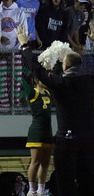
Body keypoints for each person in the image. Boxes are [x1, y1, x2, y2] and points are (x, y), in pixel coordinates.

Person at [19, 28, 94, 196]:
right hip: (89, 139)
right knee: (88, 180)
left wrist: (25, 45)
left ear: (64, 66)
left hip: (66, 141)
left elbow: (37, 69)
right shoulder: (89, 81)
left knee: (65, 182)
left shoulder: (60, 83)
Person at [25, 76, 53, 196]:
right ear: (36, 80)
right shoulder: (33, 92)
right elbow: (24, 81)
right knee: (35, 162)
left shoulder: (47, 92)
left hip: (48, 130)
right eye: (42, 78)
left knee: (46, 163)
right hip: (37, 130)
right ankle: (31, 189)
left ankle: (41, 189)